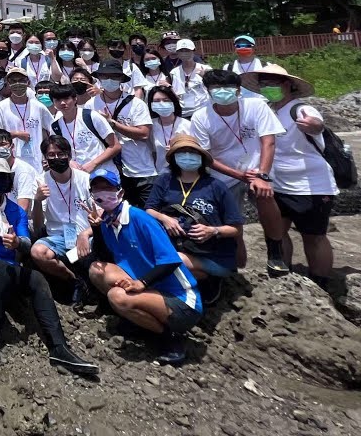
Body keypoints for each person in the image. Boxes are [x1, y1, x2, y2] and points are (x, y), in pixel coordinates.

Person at [0, 158, 98, 373]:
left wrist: (17, 243)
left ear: (9, 181)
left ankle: (59, 347)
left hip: (6, 266)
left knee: (37, 279)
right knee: (0, 270)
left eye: (2, 176)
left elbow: (27, 241)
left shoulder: (16, 211)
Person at [87, 168, 201, 365]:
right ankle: (137, 319)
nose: (102, 193)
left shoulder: (140, 218)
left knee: (117, 296)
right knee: (97, 270)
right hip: (149, 289)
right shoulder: (107, 221)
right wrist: (96, 229)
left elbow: (171, 260)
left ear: (120, 192)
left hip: (181, 300)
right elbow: (105, 256)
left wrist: (142, 282)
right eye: (97, 189)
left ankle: (169, 337)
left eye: (108, 188)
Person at [241, 65, 338, 291]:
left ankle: (320, 283)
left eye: (273, 83)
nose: (268, 88)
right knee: (277, 232)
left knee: (314, 236)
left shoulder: (301, 109)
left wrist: (315, 125)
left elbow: (316, 125)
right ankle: (283, 277)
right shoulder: (268, 110)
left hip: (310, 185)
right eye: (264, 84)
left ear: (287, 84)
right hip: (276, 183)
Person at [189, 70, 287, 276]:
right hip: (224, 175)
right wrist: (238, 175)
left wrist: (262, 175)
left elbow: (268, 141)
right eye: (216, 88)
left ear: (238, 90)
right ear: (208, 91)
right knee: (231, 222)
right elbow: (206, 156)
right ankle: (235, 266)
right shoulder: (200, 116)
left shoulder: (256, 106)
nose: (222, 92)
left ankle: (275, 251)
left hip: (257, 169)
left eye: (228, 87)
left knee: (264, 196)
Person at [145, 135, 242, 305]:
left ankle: (211, 279)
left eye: (192, 152)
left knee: (173, 260)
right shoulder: (164, 181)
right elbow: (149, 209)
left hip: (213, 255)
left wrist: (213, 231)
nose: (187, 156)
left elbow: (236, 228)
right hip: (178, 244)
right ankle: (200, 281)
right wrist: (165, 218)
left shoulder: (216, 186)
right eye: (182, 152)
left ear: (201, 157)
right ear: (173, 158)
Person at [29, 136, 94, 301]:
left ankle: (91, 286)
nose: (56, 158)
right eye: (51, 155)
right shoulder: (40, 182)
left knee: (84, 255)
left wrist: (85, 234)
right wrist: (37, 201)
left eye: (61, 153)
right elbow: (37, 226)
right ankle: (74, 280)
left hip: (86, 233)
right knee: (38, 252)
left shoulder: (85, 179)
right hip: (58, 235)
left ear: (69, 155)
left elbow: (100, 215)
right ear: (45, 158)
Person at [94, 60, 157, 206]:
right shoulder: (91, 104)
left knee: (148, 211)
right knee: (116, 211)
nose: (109, 80)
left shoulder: (136, 104)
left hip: (139, 168)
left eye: (114, 76)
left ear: (121, 79)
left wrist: (113, 124)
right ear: (99, 78)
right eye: (105, 76)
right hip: (109, 169)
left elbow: (144, 133)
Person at [0, 68, 51, 172]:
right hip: (10, 164)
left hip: (37, 163)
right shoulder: (0, 107)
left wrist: (49, 155)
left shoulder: (39, 107)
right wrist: (15, 134)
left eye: (21, 80)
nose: (17, 84)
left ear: (28, 82)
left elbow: (52, 131)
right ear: (8, 83)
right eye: (13, 81)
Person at [48, 83, 120, 175]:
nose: (62, 103)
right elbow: (57, 152)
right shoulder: (56, 127)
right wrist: (69, 161)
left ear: (75, 99)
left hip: (103, 174)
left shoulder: (91, 116)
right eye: (58, 100)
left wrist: (93, 164)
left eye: (66, 98)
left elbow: (115, 146)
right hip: (77, 176)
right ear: (53, 103)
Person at [148, 85, 193, 173]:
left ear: (173, 102)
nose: (161, 103)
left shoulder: (187, 125)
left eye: (166, 100)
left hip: (184, 173)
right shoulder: (151, 126)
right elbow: (153, 152)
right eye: (156, 101)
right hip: (161, 174)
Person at [169, 39, 210, 114]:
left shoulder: (205, 69)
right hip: (182, 112)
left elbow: (214, 87)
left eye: (187, 50)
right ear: (177, 53)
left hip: (203, 110)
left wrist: (205, 77)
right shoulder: (173, 72)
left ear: (193, 51)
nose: (184, 53)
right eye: (181, 51)